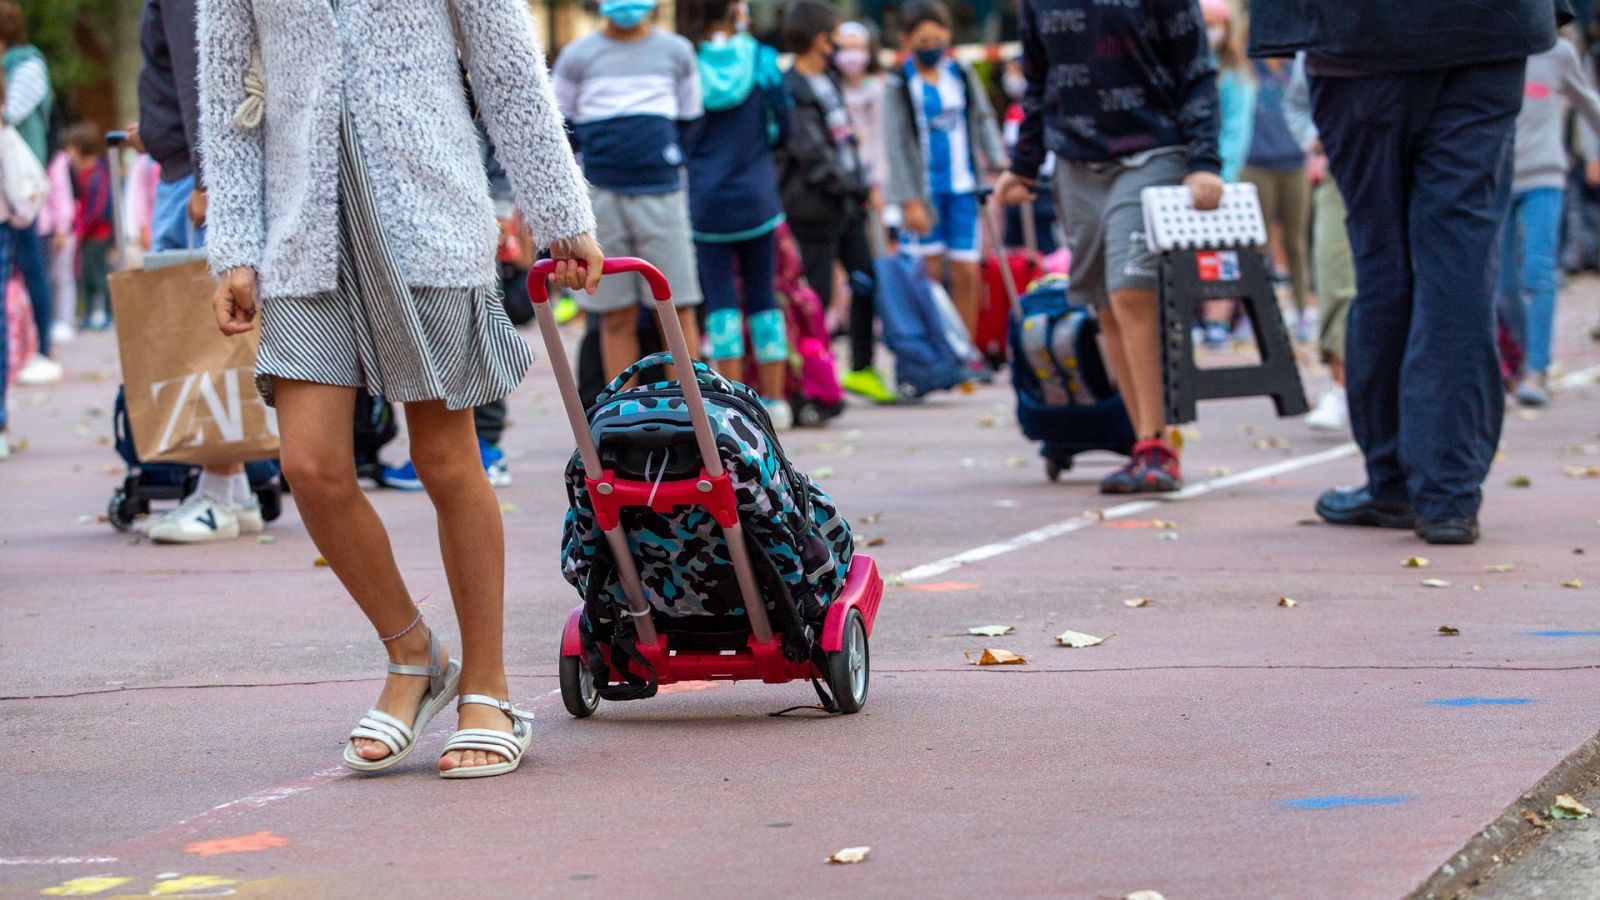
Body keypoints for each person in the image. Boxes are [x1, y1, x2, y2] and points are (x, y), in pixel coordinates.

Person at [200, 0, 605, 776]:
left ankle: (488, 685)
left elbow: (507, 70)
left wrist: (559, 209)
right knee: (312, 467)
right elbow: (228, 104)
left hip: (427, 213)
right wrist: (235, 249)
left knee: (446, 457)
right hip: (302, 233)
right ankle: (413, 653)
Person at [1251, 0, 1559, 545]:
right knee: (1458, 270)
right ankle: (1449, 495)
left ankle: (1394, 482)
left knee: (1382, 265)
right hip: (1484, 30)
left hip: (1359, 40)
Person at [997, 0, 1224, 494]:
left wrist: (1205, 160)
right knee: (1103, 303)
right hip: (1076, 163)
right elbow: (1039, 83)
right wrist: (1023, 166)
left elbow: (1198, 72)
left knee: (1130, 292)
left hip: (1152, 153)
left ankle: (1157, 444)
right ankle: (1142, 437)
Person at [135, 0, 276, 544]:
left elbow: (205, 73)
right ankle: (232, 490)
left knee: (206, 338)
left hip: (192, 178)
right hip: (185, 169)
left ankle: (220, 485)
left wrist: (205, 177)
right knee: (208, 336)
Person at [552, 0, 703, 383]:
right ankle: (625, 423)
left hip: (663, 195)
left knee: (675, 310)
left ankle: (693, 420)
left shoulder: (677, 52)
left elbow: (690, 122)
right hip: (601, 196)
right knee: (614, 315)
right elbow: (558, 129)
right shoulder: (576, 56)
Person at [677, 0, 796, 427]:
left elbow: (679, 131)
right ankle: (776, 401)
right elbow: (784, 125)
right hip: (758, 196)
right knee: (764, 299)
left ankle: (730, 406)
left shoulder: (686, 62)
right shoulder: (762, 59)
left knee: (721, 303)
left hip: (706, 201)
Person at [776, 0, 895, 404]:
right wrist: (850, 186)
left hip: (845, 203)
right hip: (814, 208)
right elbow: (810, 153)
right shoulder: (791, 87)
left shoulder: (828, 80)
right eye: (835, 37)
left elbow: (845, 141)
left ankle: (861, 367)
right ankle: (810, 384)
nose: (841, 47)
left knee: (866, 282)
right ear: (819, 39)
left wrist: (859, 185)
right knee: (816, 298)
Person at [883, 0, 1006, 343]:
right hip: (924, 192)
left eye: (937, 40)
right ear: (905, 41)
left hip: (963, 186)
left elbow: (982, 119)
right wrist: (908, 200)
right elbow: (895, 145)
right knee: (930, 273)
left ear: (948, 37)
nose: (931, 48)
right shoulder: (898, 84)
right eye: (922, 43)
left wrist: (998, 162)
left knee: (967, 270)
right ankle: (940, 347)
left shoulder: (961, 75)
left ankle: (966, 348)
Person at [1498, 35, 1600, 408]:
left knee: (1538, 274)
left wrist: (1595, 151)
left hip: (1545, 178)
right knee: (1501, 283)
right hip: (1495, 180)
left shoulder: (1557, 53)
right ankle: (1514, 360)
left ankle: (1537, 370)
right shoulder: (1490, 44)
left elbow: (1589, 104)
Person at [1282, 53, 1354, 433]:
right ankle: (1342, 389)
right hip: (1338, 172)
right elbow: (1295, 103)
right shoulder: (1318, 30)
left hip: (1404, 166)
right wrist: (1314, 137)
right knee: (1334, 278)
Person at [1, 3, 63, 385]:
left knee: (31, 264)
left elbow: (11, 112)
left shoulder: (27, 64)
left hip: (17, 187)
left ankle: (42, 349)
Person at [1241, 57, 1314, 343]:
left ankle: (1302, 312)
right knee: (1257, 245)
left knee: (1295, 242)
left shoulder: (1295, 69)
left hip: (1294, 164)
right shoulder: (1248, 69)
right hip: (1256, 164)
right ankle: (1257, 314)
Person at [1199, 0, 1256, 350]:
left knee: (1220, 255)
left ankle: (1217, 318)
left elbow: (1237, 132)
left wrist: (1222, 174)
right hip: (1186, 177)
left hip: (1222, 179)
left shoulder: (1236, 76)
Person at [66, 125, 114, 333]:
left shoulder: (98, 172)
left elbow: (100, 205)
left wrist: (85, 225)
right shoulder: (79, 173)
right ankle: (87, 314)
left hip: (97, 233)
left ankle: (106, 313)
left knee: (98, 274)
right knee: (83, 275)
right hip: (84, 233)